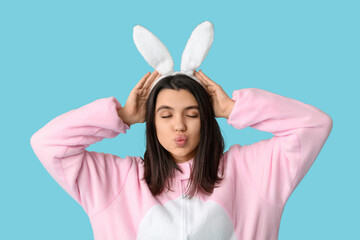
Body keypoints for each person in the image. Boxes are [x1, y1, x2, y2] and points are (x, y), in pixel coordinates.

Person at [30, 69, 333, 240]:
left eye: (192, 113)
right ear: (150, 123)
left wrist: (233, 109)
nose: (179, 125)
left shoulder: (251, 171)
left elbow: (314, 125)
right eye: (164, 115)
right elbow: (48, 144)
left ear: (207, 118)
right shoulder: (115, 181)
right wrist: (120, 116)